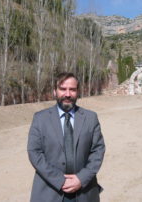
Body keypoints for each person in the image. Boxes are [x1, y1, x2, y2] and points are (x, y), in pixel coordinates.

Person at [27, 72, 105, 202]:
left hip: (84, 192)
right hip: (49, 191)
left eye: (72, 89)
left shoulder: (91, 118)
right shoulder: (40, 119)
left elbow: (98, 150)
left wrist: (81, 178)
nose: (67, 94)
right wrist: (59, 180)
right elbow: (34, 152)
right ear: (54, 91)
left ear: (78, 92)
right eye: (63, 89)